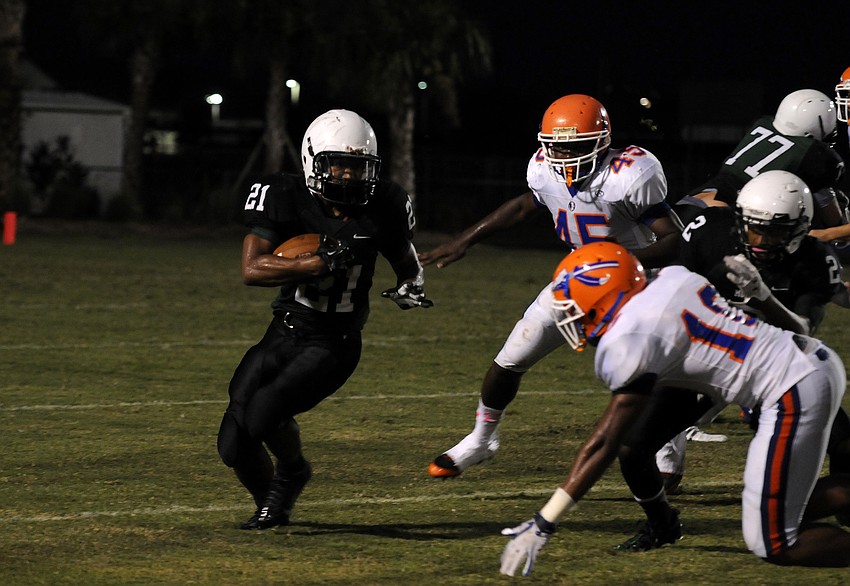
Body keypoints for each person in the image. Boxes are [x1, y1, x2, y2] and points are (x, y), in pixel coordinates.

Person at [499, 241, 850, 577]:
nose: (571, 317)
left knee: (772, 541)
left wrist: (545, 521)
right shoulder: (669, 277)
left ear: (603, 296)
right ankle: (663, 524)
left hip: (790, 385)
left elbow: (604, 441)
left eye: (574, 305)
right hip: (797, 360)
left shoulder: (628, 341)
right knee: (642, 448)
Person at [422, 94, 682, 478]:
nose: (563, 155)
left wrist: (622, 264)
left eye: (573, 146)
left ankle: (669, 451)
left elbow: (673, 238)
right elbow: (525, 205)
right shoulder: (544, 169)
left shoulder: (628, 174)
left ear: (601, 140)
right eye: (556, 145)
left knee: (655, 373)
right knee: (510, 358)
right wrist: (465, 239)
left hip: (640, 284)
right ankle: (481, 440)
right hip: (580, 279)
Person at [216, 109, 433, 530]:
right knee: (232, 442)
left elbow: (407, 260)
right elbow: (251, 269)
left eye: (358, 167)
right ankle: (272, 502)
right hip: (285, 329)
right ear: (312, 160)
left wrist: (412, 284)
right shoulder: (282, 194)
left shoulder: (385, 204)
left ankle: (292, 469)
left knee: (261, 415)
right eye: (339, 165)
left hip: (335, 343)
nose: (349, 177)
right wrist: (313, 264)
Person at [641, 172, 850, 534]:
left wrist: (763, 298)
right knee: (634, 444)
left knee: (844, 445)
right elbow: (673, 288)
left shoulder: (816, 260)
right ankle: (659, 518)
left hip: (769, 368)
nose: (761, 240)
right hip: (707, 358)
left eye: (774, 231)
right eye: (754, 228)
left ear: (800, 228)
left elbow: (801, 331)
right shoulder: (709, 231)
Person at [675, 89, 847, 230]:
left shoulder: (763, 125)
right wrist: (839, 221)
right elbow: (832, 218)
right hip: (730, 213)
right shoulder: (814, 155)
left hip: (698, 196)